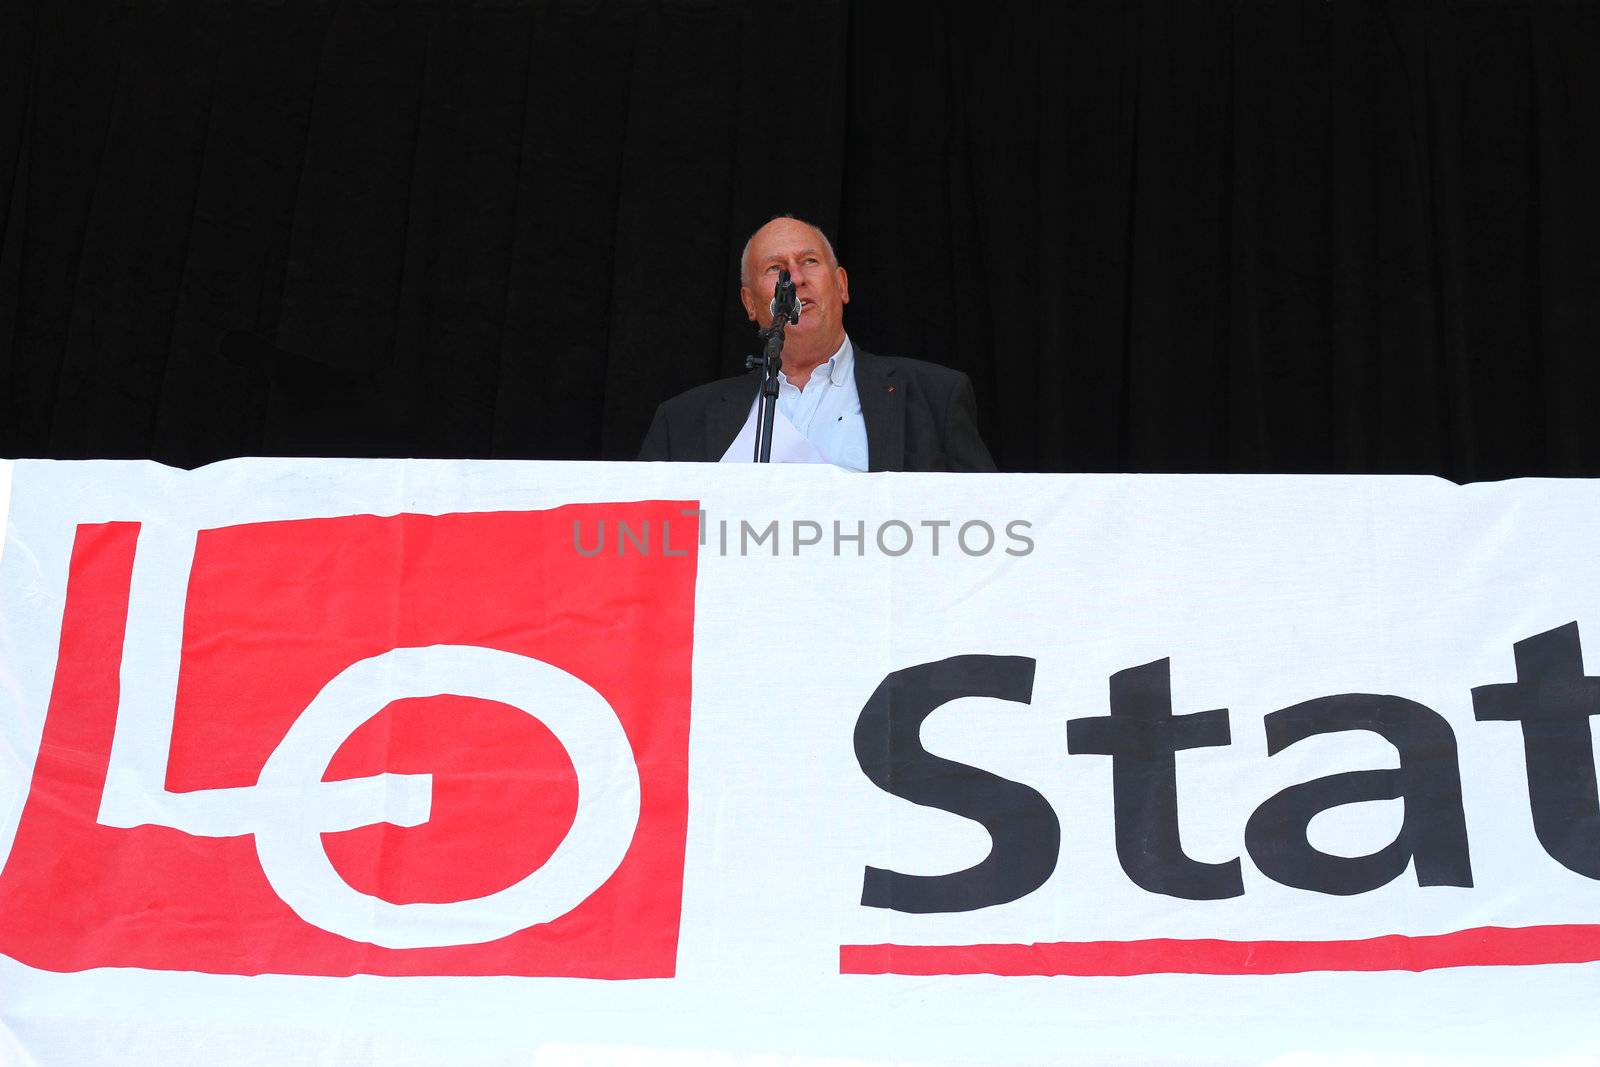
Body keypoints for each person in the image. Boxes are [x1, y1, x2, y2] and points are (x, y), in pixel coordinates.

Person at [636, 215, 996, 472]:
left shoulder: (935, 397)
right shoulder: (682, 421)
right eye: (775, 268)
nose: (795, 278)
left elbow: (983, 524)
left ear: (841, 284)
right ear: (749, 303)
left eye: (809, 261)